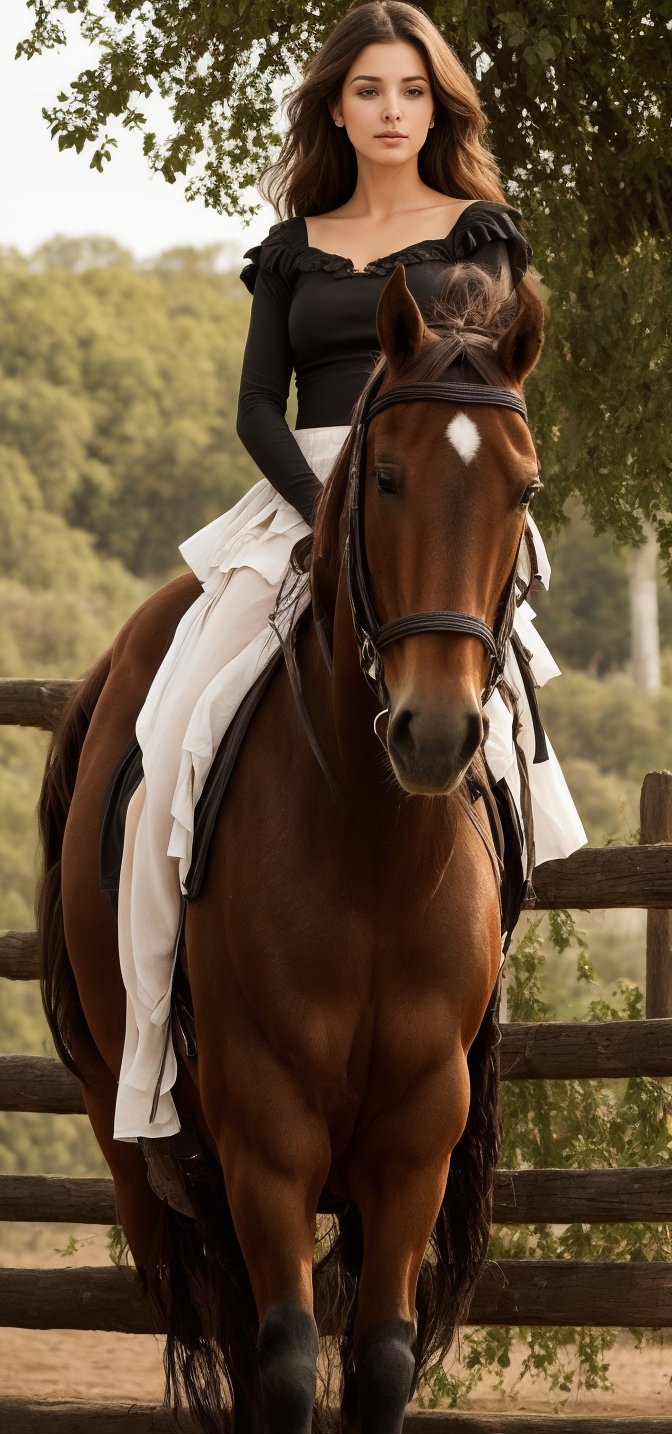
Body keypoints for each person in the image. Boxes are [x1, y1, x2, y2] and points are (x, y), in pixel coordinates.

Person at [114, 0, 586, 1144]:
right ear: (337, 105)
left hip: (438, 510)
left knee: (516, 753)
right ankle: (152, 1059)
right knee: (171, 729)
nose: (391, 111)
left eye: (413, 91)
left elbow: (495, 390)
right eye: (370, 90)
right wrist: (324, 514)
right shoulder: (293, 242)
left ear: (438, 105)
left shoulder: (481, 232)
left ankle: (473, 1002)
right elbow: (253, 410)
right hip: (303, 505)